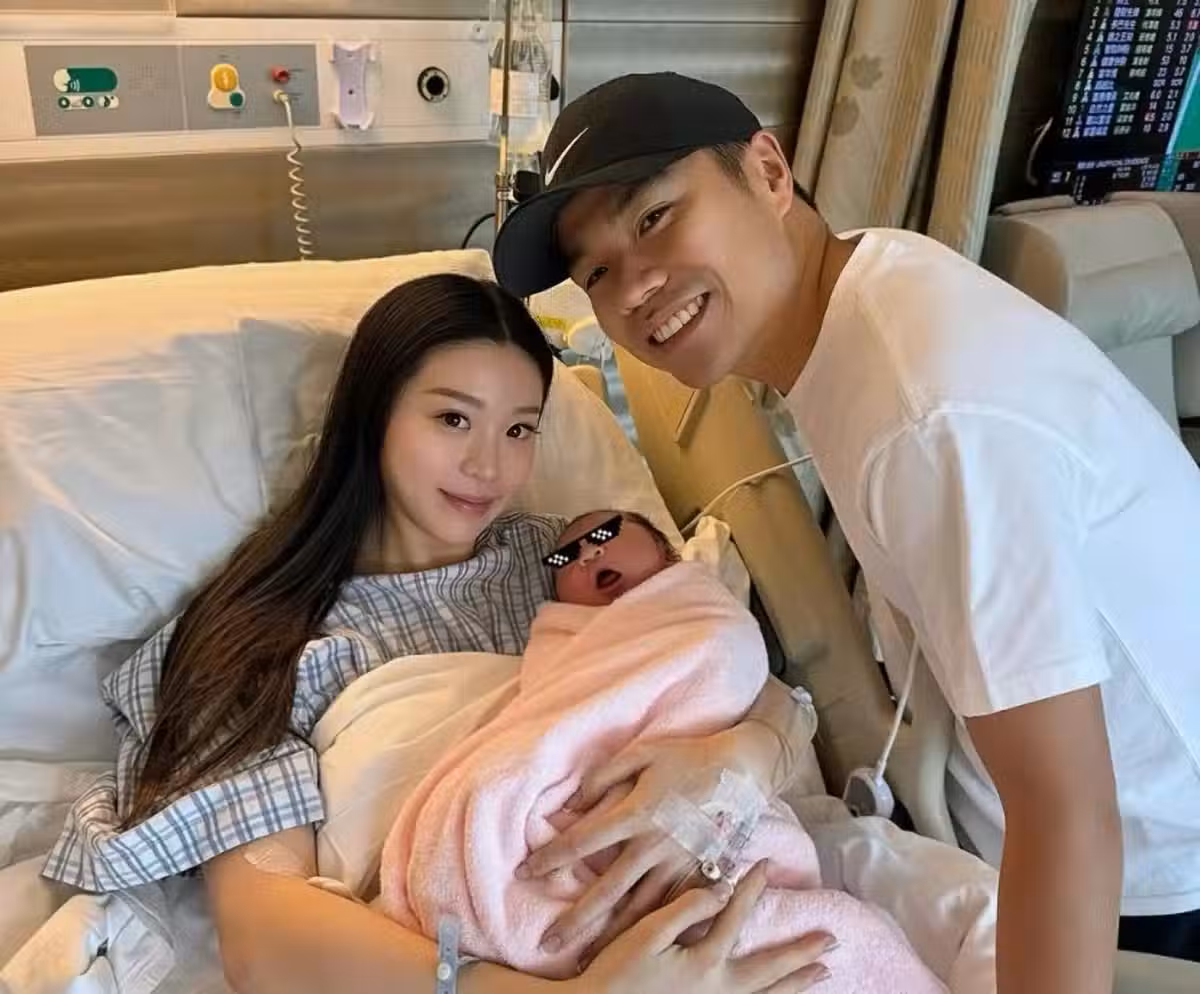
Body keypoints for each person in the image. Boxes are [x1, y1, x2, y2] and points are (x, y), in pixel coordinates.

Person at [492, 71, 1200, 991]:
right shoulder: (871, 284)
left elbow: (1066, 815)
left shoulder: (927, 417)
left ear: (769, 171)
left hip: (1152, 856)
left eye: (656, 217)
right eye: (595, 273)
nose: (633, 288)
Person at [41, 273, 829, 994]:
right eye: (454, 418)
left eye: (519, 430)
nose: (489, 465)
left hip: (703, 907)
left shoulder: (563, 561)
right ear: (374, 414)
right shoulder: (260, 635)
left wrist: (735, 766)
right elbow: (266, 934)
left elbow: (737, 681)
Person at [379, 507, 944, 994]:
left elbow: (751, 678)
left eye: (604, 535)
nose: (584, 555)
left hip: (725, 846)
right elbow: (548, 729)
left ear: (668, 552)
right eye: (565, 559)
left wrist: (746, 763)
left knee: (837, 939)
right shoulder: (564, 647)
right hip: (585, 876)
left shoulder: (696, 613)